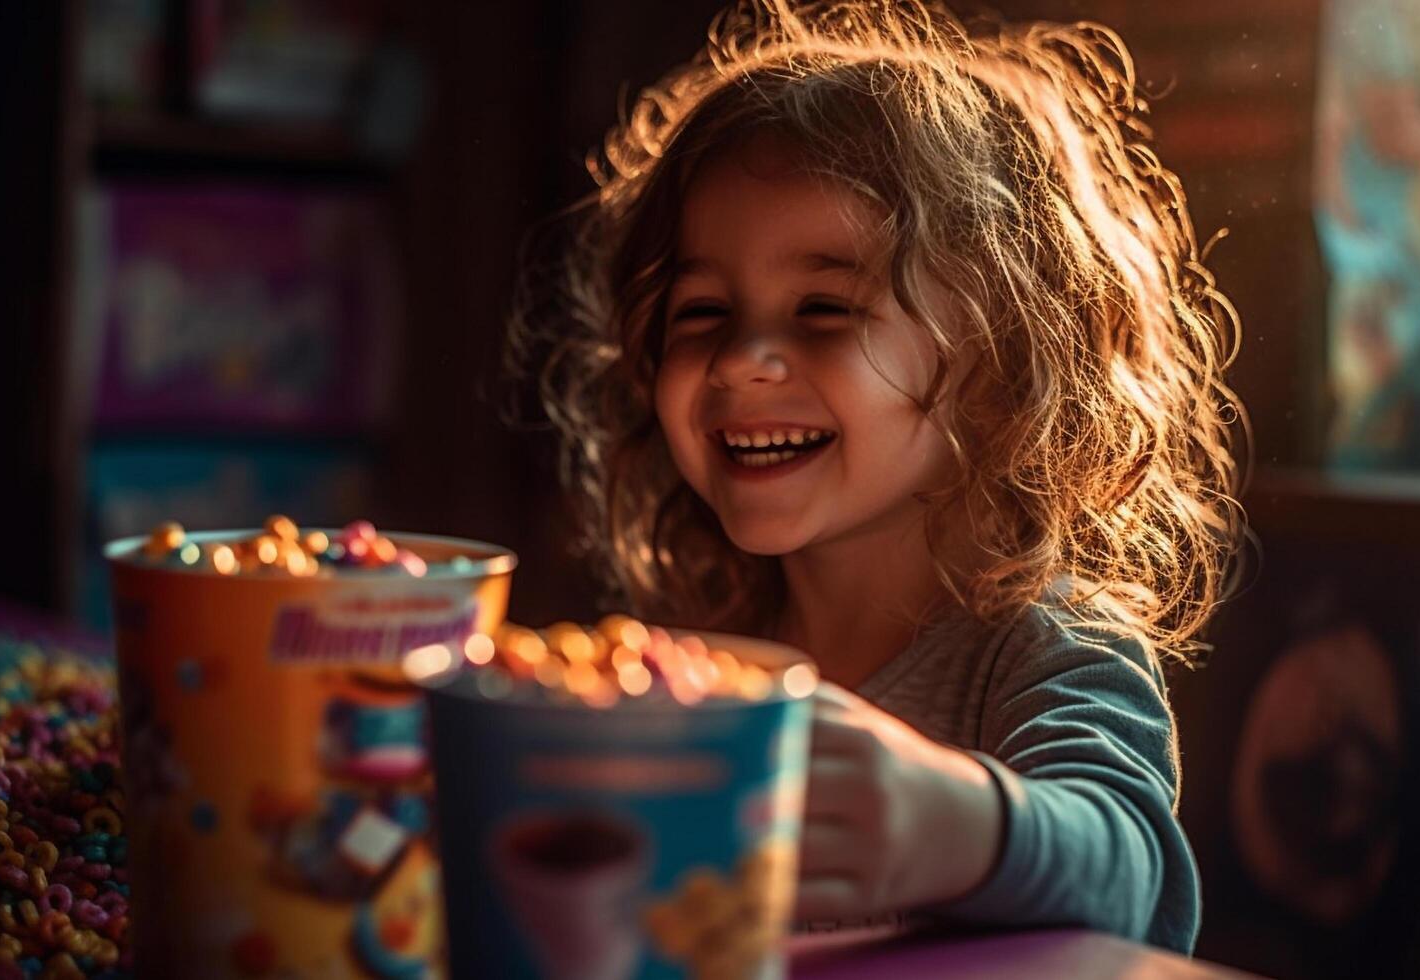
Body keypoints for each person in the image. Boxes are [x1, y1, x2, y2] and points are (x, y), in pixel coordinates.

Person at [512, 0, 1247, 955]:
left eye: (822, 306)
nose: (740, 361)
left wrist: (960, 825)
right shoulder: (697, 655)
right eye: (699, 312)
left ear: (998, 366)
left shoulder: (1037, 647)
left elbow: (1134, 871)